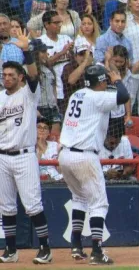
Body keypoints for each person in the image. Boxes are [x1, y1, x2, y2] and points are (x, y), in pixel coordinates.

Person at [58, 64, 130, 264]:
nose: (106, 83)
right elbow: (123, 96)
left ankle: (76, 245)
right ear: (100, 82)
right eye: (104, 81)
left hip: (65, 154)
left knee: (79, 197)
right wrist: (117, 79)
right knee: (99, 203)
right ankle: (97, 252)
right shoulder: (97, 97)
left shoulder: (77, 94)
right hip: (84, 155)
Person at [0, 29, 53, 264]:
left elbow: (33, 75)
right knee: (7, 206)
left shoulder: (28, 94)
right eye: (4, 74)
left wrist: (27, 50)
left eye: (12, 74)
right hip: (2, 156)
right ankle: (10, 251)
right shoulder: (0, 97)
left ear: (20, 77)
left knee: (32, 205)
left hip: (24, 156)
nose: (7, 78)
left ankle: (45, 248)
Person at [38, 10, 74, 112]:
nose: (59, 25)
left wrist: (71, 52)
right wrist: (62, 52)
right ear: (46, 25)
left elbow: (75, 60)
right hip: (54, 88)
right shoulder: (40, 41)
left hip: (70, 86)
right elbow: (46, 63)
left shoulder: (66, 38)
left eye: (60, 22)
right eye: (56, 23)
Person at [32, 38, 61, 135]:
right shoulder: (28, 70)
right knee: (40, 138)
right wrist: (33, 109)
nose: (46, 54)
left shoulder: (48, 68)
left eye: (46, 51)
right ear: (35, 53)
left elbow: (54, 89)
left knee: (54, 136)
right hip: (38, 108)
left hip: (52, 108)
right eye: (43, 51)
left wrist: (55, 105)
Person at [104, 45, 133, 136]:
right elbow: (107, 71)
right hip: (106, 114)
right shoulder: (103, 68)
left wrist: (128, 115)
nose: (118, 64)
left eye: (121, 62)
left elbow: (127, 96)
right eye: (115, 61)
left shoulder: (127, 73)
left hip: (119, 114)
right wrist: (107, 61)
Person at [61, 43, 94, 113]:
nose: (85, 57)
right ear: (75, 57)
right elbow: (71, 80)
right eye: (81, 54)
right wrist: (85, 62)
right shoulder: (69, 67)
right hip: (72, 110)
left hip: (89, 108)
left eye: (87, 55)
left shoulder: (95, 69)